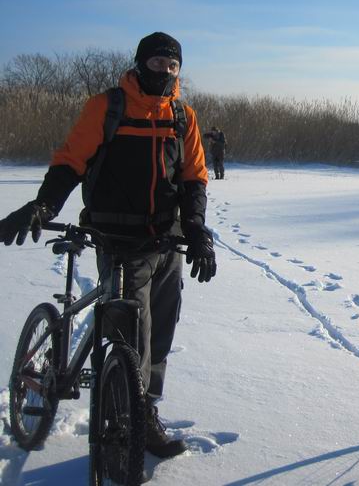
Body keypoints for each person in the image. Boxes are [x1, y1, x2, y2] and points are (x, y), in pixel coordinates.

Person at [0, 31, 217, 459]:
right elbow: (70, 161)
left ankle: (144, 409)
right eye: (157, 63)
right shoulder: (108, 106)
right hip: (116, 238)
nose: (165, 72)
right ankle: (122, 413)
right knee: (131, 332)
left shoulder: (182, 115)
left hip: (165, 243)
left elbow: (194, 178)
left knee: (160, 332)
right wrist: (43, 205)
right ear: (140, 64)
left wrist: (195, 230)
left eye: (173, 66)